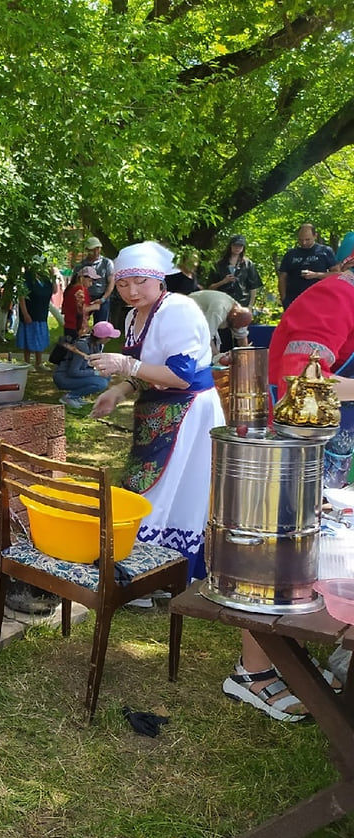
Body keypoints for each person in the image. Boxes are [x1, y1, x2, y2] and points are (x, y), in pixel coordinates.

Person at [225, 232, 354, 721]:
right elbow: (304, 382)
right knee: (276, 555)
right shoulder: (336, 295)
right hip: (298, 450)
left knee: (320, 555)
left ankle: (296, 655)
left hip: (335, 449)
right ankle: (253, 670)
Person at [89, 242, 224, 592]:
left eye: (140, 282)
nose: (131, 291)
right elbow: (145, 371)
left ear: (159, 280)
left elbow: (179, 375)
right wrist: (117, 391)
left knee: (172, 490)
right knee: (142, 484)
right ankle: (139, 567)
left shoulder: (177, 311)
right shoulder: (135, 315)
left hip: (189, 413)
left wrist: (126, 364)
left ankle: (158, 574)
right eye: (122, 284)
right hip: (156, 412)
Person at [205, 235, 262, 349]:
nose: (237, 248)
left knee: (241, 335)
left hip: (241, 305)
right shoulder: (218, 265)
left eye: (240, 246)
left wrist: (250, 306)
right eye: (235, 245)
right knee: (223, 336)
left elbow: (253, 287)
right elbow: (210, 287)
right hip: (222, 305)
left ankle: (244, 359)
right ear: (230, 246)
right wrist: (223, 281)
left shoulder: (248, 264)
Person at [53, 320, 117, 409]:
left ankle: (77, 396)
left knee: (107, 376)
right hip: (64, 377)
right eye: (108, 337)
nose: (109, 339)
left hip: (73, 374)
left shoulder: (95, 344)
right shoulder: (83, 347)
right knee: (101, 383)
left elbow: (90, 363)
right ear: (102, 337)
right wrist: (97, 373)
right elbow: (73, 372)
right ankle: (69, 397)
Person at [278, 222, 336, 309]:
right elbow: (282, 278)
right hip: (294, 300)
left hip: (319, 300)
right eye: (301, 240)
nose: (304, 243)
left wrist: (316, 275)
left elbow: (336, 274)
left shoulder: (325, 251)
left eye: (307, 239)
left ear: (315, 236)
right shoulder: (290, 254)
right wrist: (284, 299)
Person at [16, 261, 55, 368]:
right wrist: (25, 313)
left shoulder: (45, 279)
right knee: (28, 338)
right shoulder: (26, 278)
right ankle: (27, 363)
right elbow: (21, 296)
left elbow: (54, 291)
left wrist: (53, 276)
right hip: (30, 312)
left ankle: (39, 362)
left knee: (40, 338)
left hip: (41, 313)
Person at [79, 237, 116, 324]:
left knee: (101, 326)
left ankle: (99, 337)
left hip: (102, 298)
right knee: (80, 323)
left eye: (98, 249)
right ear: (87, 250)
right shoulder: (81, 265)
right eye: (92, 250)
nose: (96, 252)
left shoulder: (107, 263)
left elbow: (111, 282)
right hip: (85, 298)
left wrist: (103, 299)